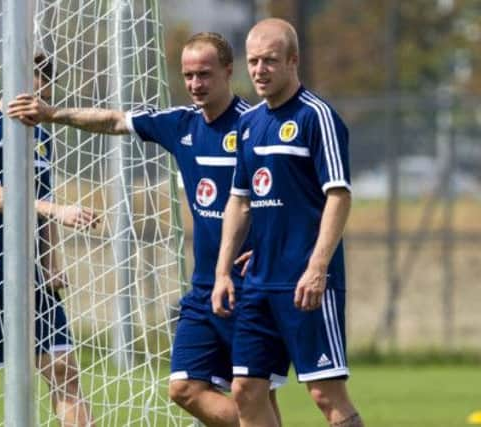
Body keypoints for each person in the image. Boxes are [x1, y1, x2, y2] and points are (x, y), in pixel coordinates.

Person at [7, 33, 287, 427]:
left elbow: (289, 197)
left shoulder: (256, 126)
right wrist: (52, 114)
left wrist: (275, 247)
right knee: (185, 388)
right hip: (205, 287)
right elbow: (115, 119)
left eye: (205, 74)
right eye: (188, 75)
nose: (195, 84)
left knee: (254, 392)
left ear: (228, 71)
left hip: (254, 286)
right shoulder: (180, 124)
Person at [211, 18, 364, 427]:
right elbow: (240, 202)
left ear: (293, 61)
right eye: (253, 61)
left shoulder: (318, 117)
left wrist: (317, 268)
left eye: (270, 61)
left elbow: (339, 195)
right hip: (259, 282)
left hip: (306, 282)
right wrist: (223, 271)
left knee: (324, 394)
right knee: (245, 389)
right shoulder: (248, 124)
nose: (259, 71)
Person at [0, 54, 97, 427]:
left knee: (63, 371)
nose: (39, 95)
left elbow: (41, 206)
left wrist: (51, 264)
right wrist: (57, 210)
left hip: (35, 276)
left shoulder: (41, 136)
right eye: (32, 85)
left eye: (44, 86)